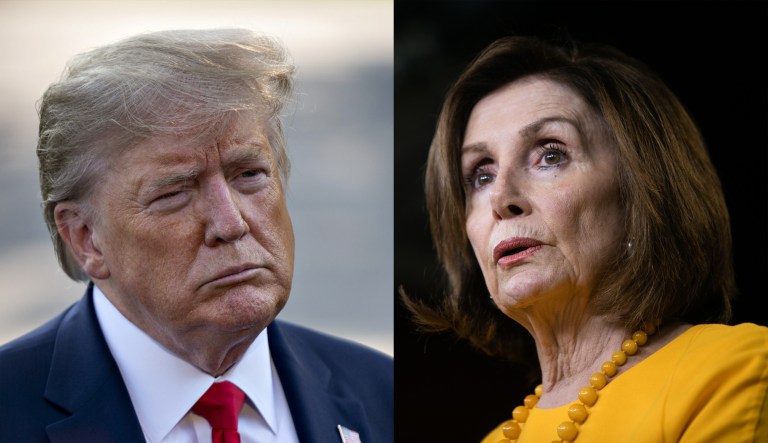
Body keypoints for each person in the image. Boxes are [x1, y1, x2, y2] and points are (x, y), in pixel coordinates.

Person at [0, 28, 392, 443]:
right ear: (85, 238)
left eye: (249, 174)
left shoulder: (382, 393)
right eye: (174, 193)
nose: (231, 224)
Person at [401, 35, 768, 442]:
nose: (502, 199)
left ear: (641, 190)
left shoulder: (735, 368)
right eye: (481, 175)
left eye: (550, 155)